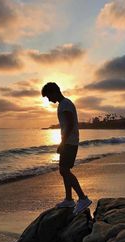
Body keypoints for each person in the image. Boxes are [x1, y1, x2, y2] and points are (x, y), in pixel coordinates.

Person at [41, 82, 92, 215]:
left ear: (54, 92)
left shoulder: (65, 104)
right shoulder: (64, 104)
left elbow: (69, 125)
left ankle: (82, 198)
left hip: (70, 142)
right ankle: (69, 199)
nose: (49, 100)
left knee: (64, 170)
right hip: (69, 142)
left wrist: (62, 143)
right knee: (64, 170)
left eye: (48, 96)